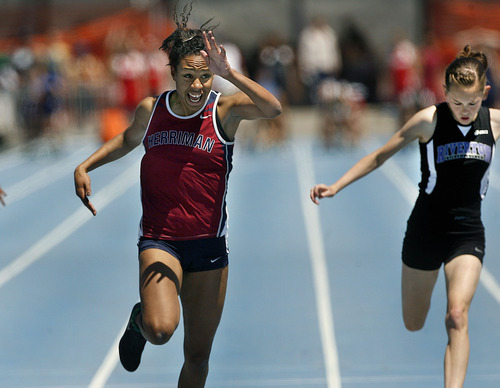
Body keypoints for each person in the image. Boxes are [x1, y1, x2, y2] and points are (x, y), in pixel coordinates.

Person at [73, 5, 281, 387]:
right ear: (173, 74)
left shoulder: (224, 112)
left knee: (198, 358)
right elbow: (125, 140)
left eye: (204, 77)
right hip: (160, 240)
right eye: (189, 76)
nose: (198, 86)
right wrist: (85, 166)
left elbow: (273, 108)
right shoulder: (151, 111)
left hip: (208, 246)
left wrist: (229, 74)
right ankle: (139, 321)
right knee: (160, 328)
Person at [310, 45, 499, 388]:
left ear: (485, 93)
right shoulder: (428, 121)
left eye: (473, 103)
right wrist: (337, 186)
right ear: (445, 93)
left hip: (467, 232)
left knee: (457, 315)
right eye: (457, 103)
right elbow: (380, 156)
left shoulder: (495, 123)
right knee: (414, 321)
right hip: (425, 231)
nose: (466, 110)